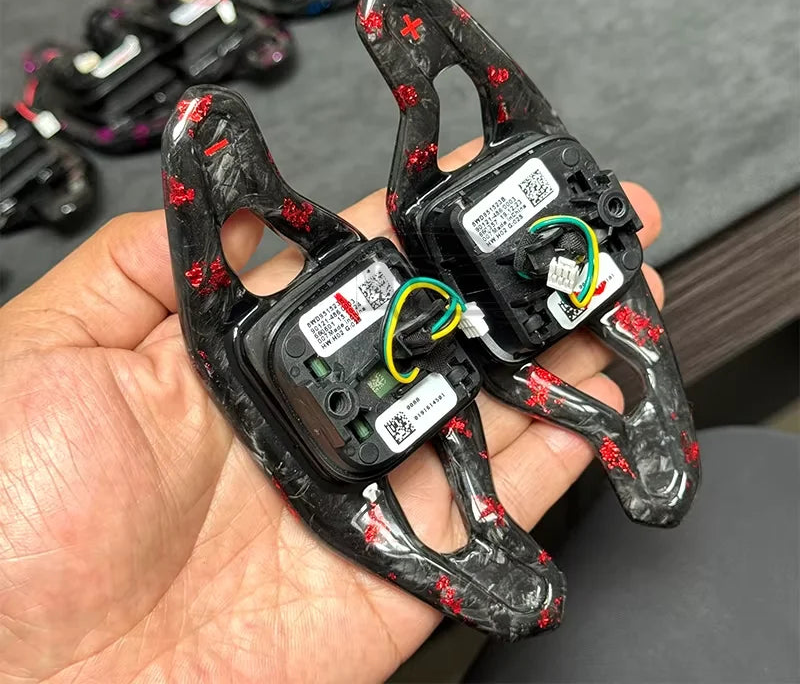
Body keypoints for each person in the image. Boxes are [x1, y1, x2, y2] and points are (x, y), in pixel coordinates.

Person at [0, 140, 795, 683]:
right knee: (436, 379)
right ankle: (484, 528)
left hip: (414, 354)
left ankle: (493, 519)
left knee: (442, 373)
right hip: (345, 401)